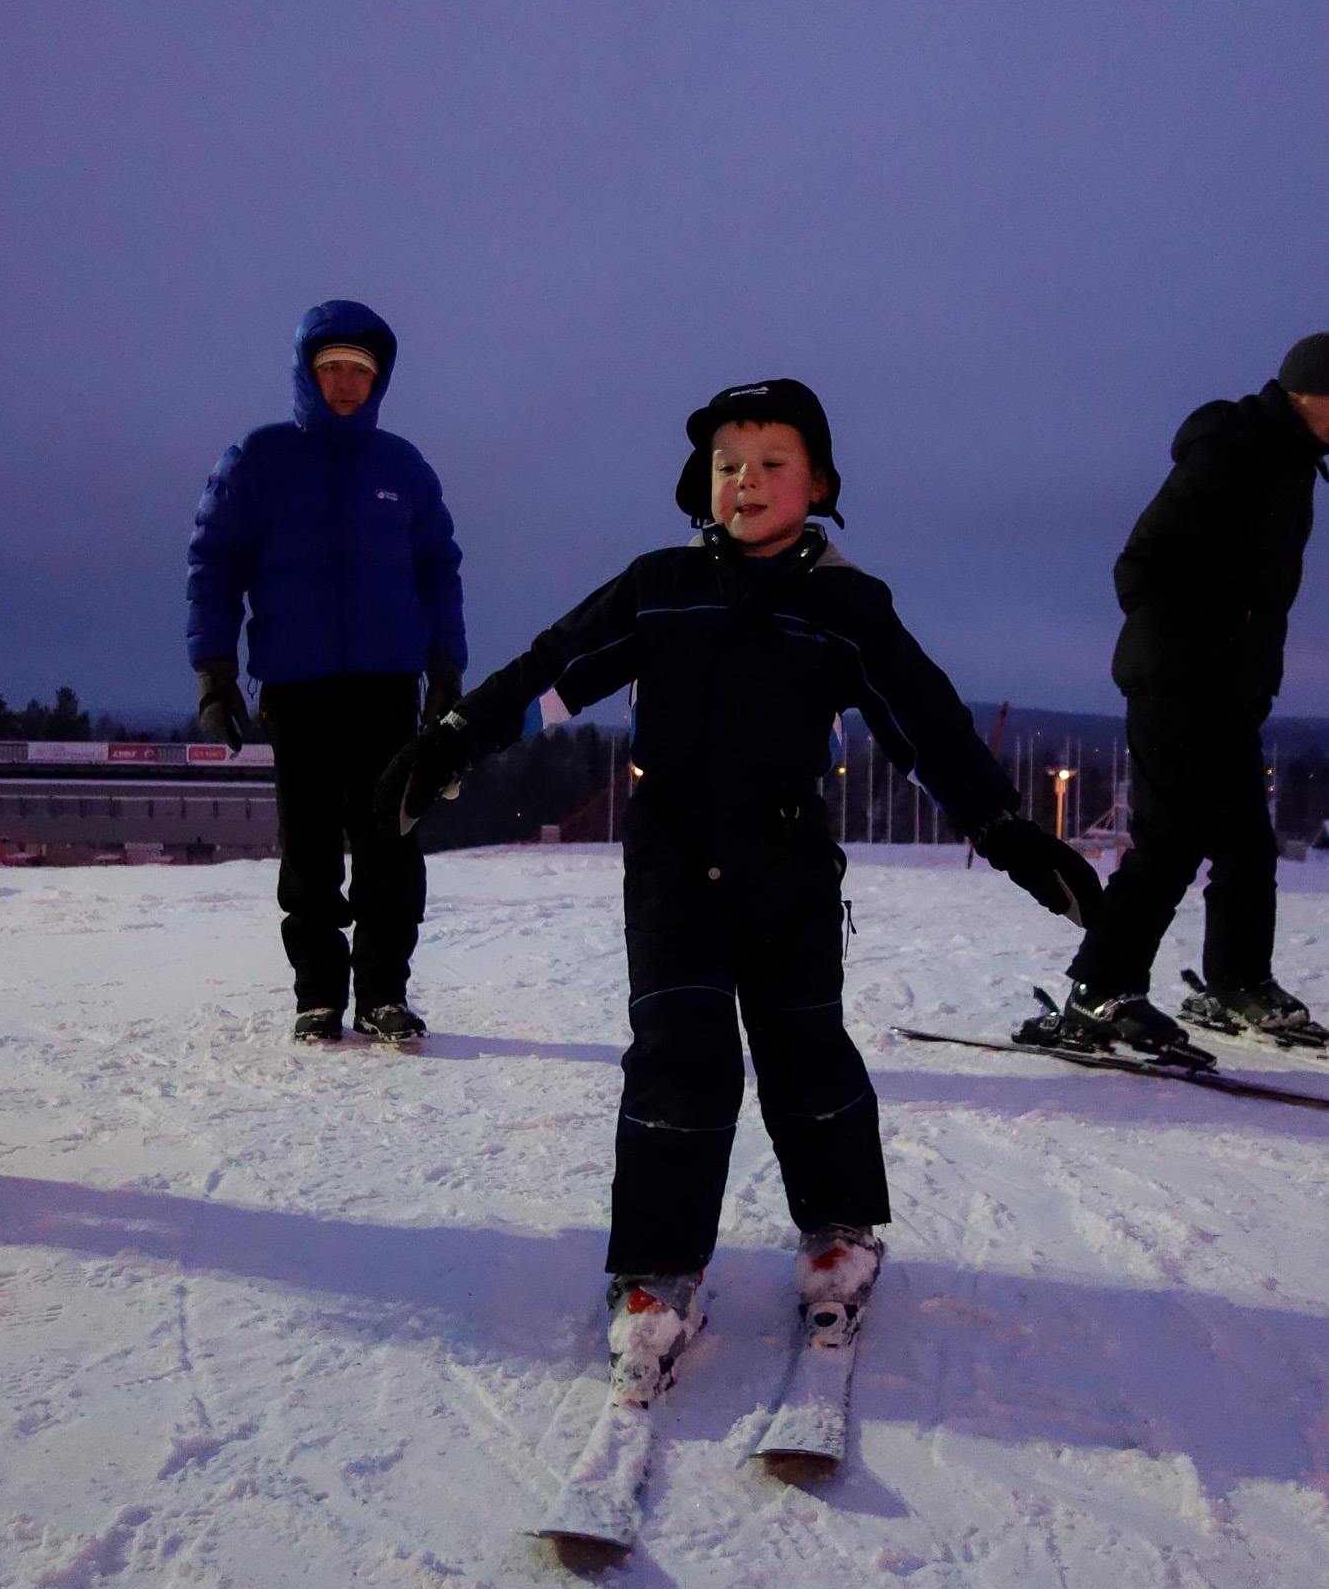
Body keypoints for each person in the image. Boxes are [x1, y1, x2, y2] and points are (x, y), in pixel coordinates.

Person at [376, 378, 1101, 1402]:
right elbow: (554, 670)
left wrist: (1008, 830)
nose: (745, 482)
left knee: (805, 1048)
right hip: (670, 854)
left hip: (788, 856)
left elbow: (926, 725)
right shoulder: (659, 584)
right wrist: (455, 741)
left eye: (771, 463)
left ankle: (840, 1229)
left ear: (819, 484)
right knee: (678, 1052)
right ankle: (657, 1269)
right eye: (727, 465)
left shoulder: (848, 605)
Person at [187, 299, 466, 1043]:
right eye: (332, 368)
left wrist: (445, 667)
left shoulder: (402, 468)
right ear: (306, 374)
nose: (345, 384)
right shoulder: (258, 461)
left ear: (379, 381)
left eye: (360, 371)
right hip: (297, 689)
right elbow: (214, 565)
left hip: (387, 689)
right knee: (308, 848)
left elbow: (439, 569)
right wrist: (214, 670)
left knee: (389, 845)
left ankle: (382, 994)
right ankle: (317, 996)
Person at [1060, 333, 1329, 1053]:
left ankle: (1237, 982)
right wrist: (1182, 654)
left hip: (1229, 688)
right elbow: (1140, 561)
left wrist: (1248, 672)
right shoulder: (1234, 449)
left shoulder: (1293, 460)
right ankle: (1099, 990)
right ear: (1312, 393)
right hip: (1178, 682)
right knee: (1170, 840)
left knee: (1246, 845)